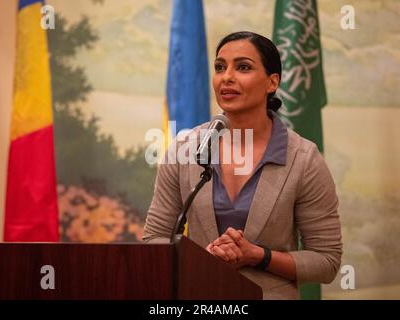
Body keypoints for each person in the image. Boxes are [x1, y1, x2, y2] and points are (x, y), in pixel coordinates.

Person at [143, 31, 342, 300]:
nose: (227, 77)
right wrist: (201, 259)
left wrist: (258, 256)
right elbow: (154, 239)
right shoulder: (184, 150)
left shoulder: (303, 159)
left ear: (272, 82)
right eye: (220, 67)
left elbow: (326, 262)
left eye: (243, 67)